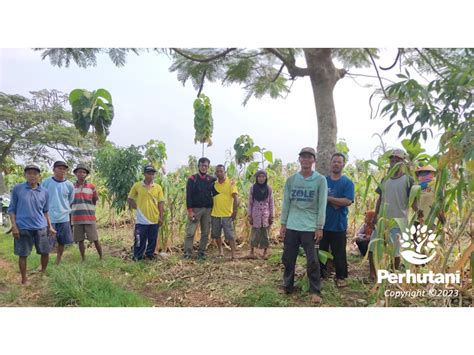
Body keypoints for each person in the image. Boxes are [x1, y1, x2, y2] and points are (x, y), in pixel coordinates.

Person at [280, 147, 327, 304]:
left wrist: (319, 226)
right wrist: (283, 224)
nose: (306, 160)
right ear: (299, 159)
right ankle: (287, 285)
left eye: (309, 157)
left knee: (312, 260)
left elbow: (322, 205)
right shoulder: (291, 180)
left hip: (310, 227)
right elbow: (286, 203)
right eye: (303, 157)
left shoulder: (320, 180)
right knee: (288, 258)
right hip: (292, 226)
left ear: (313, 160)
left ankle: (315, 290)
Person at [369, 149, 418, 279]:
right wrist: (375, 215)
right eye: (392, 160)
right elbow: (380, 198)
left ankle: (392, 274)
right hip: (381, 220)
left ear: (403, 162)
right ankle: (372, 274)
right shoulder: (385, 179)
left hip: (398, 221)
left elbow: (413, 200)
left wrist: (419, 213)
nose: (394, 162)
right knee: (372, 247)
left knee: (395, 252)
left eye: (398, 160)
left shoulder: (409, 180)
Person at [8, 164, 56, 284]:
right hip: (23, 228)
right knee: (23, 254)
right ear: (25, 175)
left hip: (41, 227)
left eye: (35, 173)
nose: (32, 176)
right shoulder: (17, 189)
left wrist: (50, 226)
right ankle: (24, 279)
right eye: (29, 173)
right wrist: (14, 227)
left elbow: (45, 211)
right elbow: (12, 209)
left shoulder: (44, 192)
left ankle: (43, 273)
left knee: (45, 252)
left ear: (39, 176)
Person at [319, 153, 354, 288]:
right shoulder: (323, 181)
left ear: (343, 165)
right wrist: (336, 202)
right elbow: (318, 199)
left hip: (339, 224)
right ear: (330, 163)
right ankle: (321, 275)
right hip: (322, 224)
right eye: (334, 161)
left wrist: (328, 199)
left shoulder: (347, 182)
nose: (336, 164)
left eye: (339, 162)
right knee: (320, 250)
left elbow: (348, 200)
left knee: (339, 253)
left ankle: (341, 277)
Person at [128, 164, 165, 261]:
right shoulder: (137, 186)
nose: (151, 175)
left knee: (152, 240)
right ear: (144, 174)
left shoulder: (158, 187)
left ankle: (149, 255)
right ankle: (137, 256)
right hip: (141, 220)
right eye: (149, 173)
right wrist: (136, 207)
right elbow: (130, 198)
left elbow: (161, 202)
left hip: (154, 218)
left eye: (152, 173)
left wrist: (161, 216)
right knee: (139, 239)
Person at [42, 161, 75, 265]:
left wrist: (64, 209)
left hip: (64, 218)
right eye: (59, 168)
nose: (62, 171)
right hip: (49, 218)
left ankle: (58, 260)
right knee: (47, 243)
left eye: (64, 169)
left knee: (62, 242)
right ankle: (43, 264)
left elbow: (70, 200)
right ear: (54, 169)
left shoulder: (69, 185)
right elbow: (41, 199)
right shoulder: (46, 182)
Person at [183, 157, 216, 260]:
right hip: (195, 210)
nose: (204, 167)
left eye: (206, 165)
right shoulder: (192, 179)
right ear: (198, 166)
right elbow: (188, 196)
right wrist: (190, 211)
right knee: (190, 232)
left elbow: (217, 192)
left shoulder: (211, 180)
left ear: (208, 167)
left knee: (205, 232)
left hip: (207, 210)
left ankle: (201, 252)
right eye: (202, 165)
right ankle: (187, 252)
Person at [71, 163, 103, 261]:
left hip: (89, 218)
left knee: (95, 239)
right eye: (79, 172)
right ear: (76, 173)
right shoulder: (71, 187)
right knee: (80, 240)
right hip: (76, 218)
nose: (82, 174)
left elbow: (95, 199)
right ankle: (83, 259)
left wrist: (89, 209)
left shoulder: (91, 187)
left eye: (84, 172)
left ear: (86, 174)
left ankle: (101, 257)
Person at [210, 164, 238, 260]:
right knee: (216, 235)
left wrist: (234, 211)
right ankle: (221, 252)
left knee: (230, 235)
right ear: (215, 173)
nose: (219, 173)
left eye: (221, 171)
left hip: (227, 214)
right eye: (217, 171)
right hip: (215, 214)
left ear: (224, 172)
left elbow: (236, 198)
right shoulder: (214, 184)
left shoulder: (231, 183)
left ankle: (233, 254)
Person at [247, 170, 274, 259]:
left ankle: (265, 252)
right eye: (259, 177)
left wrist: (272, 215)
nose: (261, 179)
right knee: (254, 233)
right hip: (256, 214)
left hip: (265, 214)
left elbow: (271, 203)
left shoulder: (269, 189)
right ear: (256, 178)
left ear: (266, 178)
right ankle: (252, 251)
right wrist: (250, 215)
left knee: (265, 234)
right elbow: (250, 202)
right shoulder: (253, 188)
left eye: (263, 177)